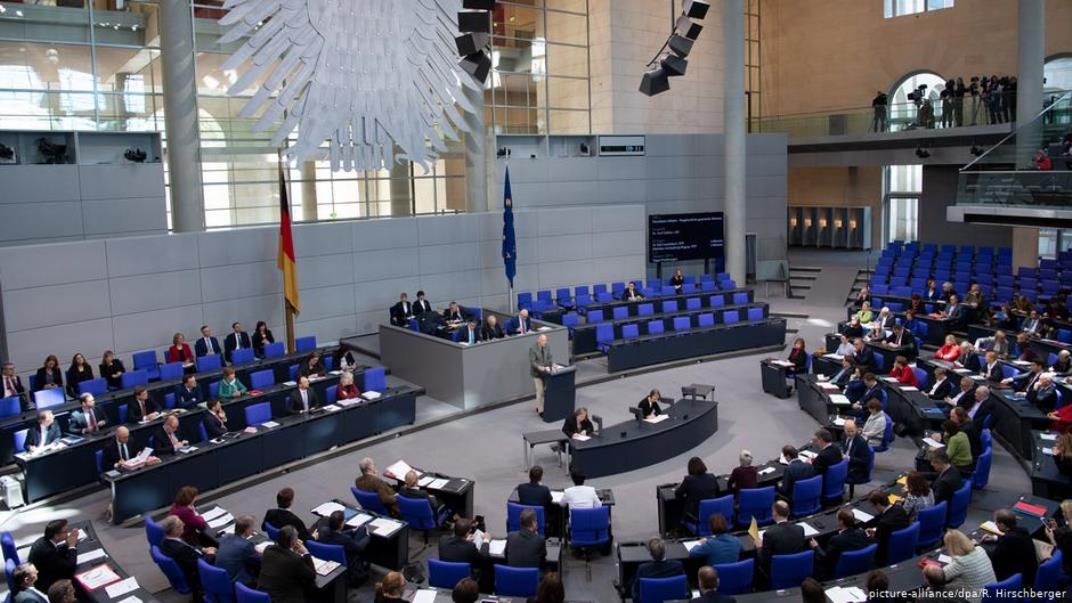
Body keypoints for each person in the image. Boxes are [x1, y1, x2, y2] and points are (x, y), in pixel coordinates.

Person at [922, 529, 996, 603]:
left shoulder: (960, 562)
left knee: (938, 590)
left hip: (976, 599)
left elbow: (940, 576)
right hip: (993, 593)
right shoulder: (980, 549)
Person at [258, 525, 315, 603]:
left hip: (262, 595)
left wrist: (292, 552)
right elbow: (312, 575)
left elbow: (285, 559)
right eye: (297, 538)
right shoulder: (294, 559)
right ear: (292, 542)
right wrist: (306, 553)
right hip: (282, 599)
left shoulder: (268, 549)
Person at [983, 509, 1039, 585]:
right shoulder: (1023, 531)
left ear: (1002, 524)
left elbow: (994, 557)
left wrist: (979, 548)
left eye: (996, 522)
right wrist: (995, 538)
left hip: (1019, 578)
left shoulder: (1008, 539)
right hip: (1030, 572)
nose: (995, 524)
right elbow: (1010, 538)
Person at [811, 509, 870, 580]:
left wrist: (816, 546)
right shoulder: (862, 532)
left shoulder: (836, 539)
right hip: (860, 566)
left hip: (840, 571)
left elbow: (825, 559)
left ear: (841, 522)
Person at [317, 510, 371, 584]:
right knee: (362, 530)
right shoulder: (345, 540)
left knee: (357, 531)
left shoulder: (323, 531)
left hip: (329, 557)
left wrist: (351, 531)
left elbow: (337, 534)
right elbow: (359, 547)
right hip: (346, 560)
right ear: (341, 524)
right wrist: (367, 536)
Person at [755, 501, 806, 574]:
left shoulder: (769, 534)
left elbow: (764, 560)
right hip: (796, 568)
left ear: (774, 513)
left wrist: (759, 547)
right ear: (788, 513)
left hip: (777, 571)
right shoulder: (800, 529)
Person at [27, 520, 78, 591]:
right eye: (65, 531)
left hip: (43, 574)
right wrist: (72, 546)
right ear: (56, 535)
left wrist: (67, 545)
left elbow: (56, 552)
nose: (68, 533)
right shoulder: (48, 552)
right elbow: (70, 568)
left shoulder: (43, 540)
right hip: (46, 584)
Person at [438, 518, 491, 584]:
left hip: (444, 578)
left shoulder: (442, 540)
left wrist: (465, 540)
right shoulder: (470, 546)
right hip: (463, 583)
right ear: (467, 533)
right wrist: (486, 540)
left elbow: (456, 545)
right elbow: (484, 556)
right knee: (487, 565)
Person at [864, 490, 909, 563]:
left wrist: (871, 536)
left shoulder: (883, 522)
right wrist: (877, 532)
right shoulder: (900, 509)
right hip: (904, 544)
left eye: (873, 505)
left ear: (878, 504)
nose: (873, 508)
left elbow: (879, 541)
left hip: (886, 553)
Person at [214, 515, 260, 585]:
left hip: (218, 576)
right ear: (247, 530)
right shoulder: (246, 545)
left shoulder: (226, 536)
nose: (253, 530)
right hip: (233, 581)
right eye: (252, 528)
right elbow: (258, 560)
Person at [676, 456, 720, 521]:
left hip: (695, 516)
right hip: (712, 514)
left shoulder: (688, 480)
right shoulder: (712, 477)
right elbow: (717, 491)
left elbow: (678, 493)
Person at [530, 334, 553, 414]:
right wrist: (538, 367)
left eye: (545, 340)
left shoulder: (547, 346)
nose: (545, 342)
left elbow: (550, 357)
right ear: (538, 340)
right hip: (537, 373)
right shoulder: (533, 349)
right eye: (543, 340)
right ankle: (541, 411)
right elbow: (533, 362)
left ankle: (539, 406)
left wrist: (552, 364)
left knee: (545, 390)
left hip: (545, 372)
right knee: (540, 391)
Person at [842, 419, 869, 488]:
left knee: (833, 472)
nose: (850, 433)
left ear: (856, 429)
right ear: (844, 430)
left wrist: (848, 458)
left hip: (856, 468)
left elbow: (864, 461)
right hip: (845, 462)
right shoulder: (844, 436)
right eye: (848, 431)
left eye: (852, 431)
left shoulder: (861, 443)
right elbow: (843, 446)